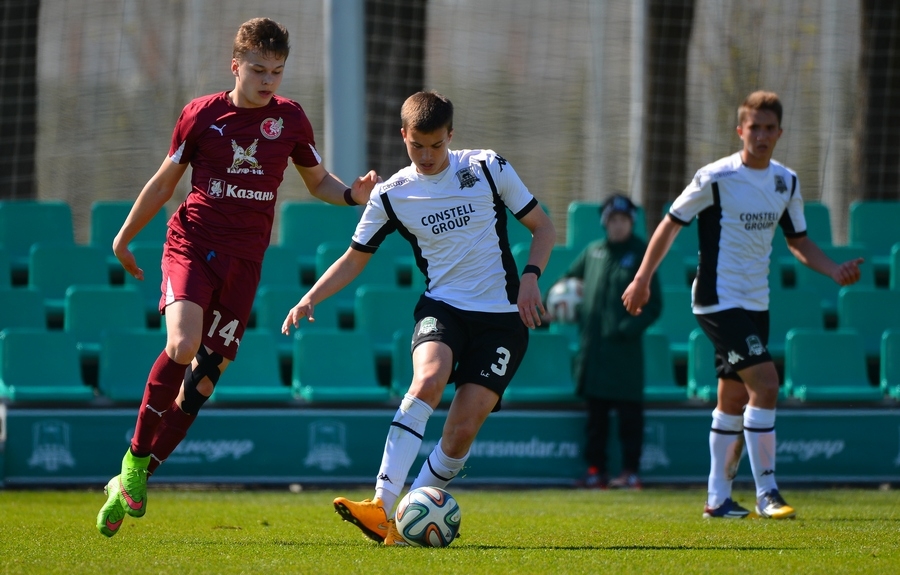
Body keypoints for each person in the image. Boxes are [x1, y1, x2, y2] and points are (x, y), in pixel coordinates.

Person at [95, 18, 378, 538]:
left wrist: (352, 195)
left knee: (203, 381)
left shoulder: (290, 120)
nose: (268, 80)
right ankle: (134, 459)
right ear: (236, 66)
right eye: (258, 70)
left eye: (276, 71)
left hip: (245, 262)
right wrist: (123, 237)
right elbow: (164, 184)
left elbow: (317, 181)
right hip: (191, 246)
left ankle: (131, 482)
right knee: (183, 345)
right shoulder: (201, 115)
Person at [282, 90, 555, 545]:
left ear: (451, 135)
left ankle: (410, 516)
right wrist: (310, 296)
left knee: (459, 432)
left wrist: (531, 277)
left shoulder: (487, 168)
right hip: (444, 309)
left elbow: (542, 227)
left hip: (503, 319)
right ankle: (380, 506)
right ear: (403, 136)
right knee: (426, 381)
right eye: (417, 146)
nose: (427, 156)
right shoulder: (392, 195)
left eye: (436, 145)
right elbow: (353, 259)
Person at [622, 90, 863, 519]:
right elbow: (669, 224)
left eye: (770, 128)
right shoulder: (716, 177)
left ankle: (717, 499)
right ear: (740, 130)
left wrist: (834, 270)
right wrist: (642, 278)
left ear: (780, 133)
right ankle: (767, 491)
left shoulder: (785, 182)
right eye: (754, 127)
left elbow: (799, 241)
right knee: (766, 384)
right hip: (717, 300)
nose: (762, 135)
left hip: (756, 302)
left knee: (733, 400)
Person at [557, 194, 661, 490]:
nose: (617, 226)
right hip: (593, 353)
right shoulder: (593, 252)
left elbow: (654, 306)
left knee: (630, 419)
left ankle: (630, 472)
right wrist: (558, 301)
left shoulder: (642, 254)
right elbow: (567, 282)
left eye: (623, 220)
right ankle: (595, 471)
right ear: (605, 223)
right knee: (595, 422)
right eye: (612, 220)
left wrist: (625, 329)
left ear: (631, 222)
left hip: (625, 354)